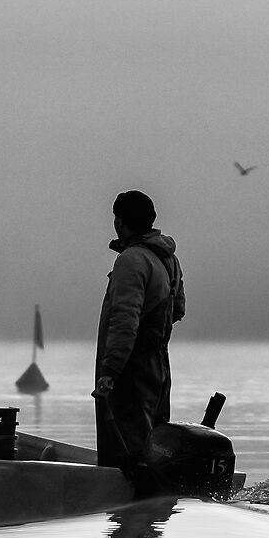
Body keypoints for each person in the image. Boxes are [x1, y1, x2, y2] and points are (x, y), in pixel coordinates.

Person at [94, 189, 185, 481]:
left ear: (120, 222)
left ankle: (126, 516)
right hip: (159, 364)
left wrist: (111, 370)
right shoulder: (169, 260)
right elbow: (178, 309)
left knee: (126, 448)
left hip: (129, 369)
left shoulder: (132, 260)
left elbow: (124, 320)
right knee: (155, 441)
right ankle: (153, 520)